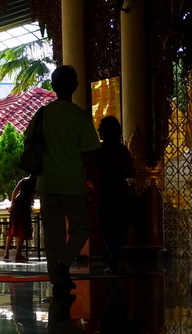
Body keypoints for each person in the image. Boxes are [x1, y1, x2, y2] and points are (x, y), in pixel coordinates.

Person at [24, 65, 100, 296]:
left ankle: (56, 278)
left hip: (47, 183)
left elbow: (28, 142)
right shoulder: (79, 117)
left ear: (53, 86)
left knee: (53, 233)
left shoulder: (43, 115)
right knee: (81, 227)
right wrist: (93, 182)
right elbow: (90, 154)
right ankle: (64, 263)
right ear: (75, 86)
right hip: (73, 182)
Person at [96, 115, 135, 273]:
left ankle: (115, 256)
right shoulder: (122, 149)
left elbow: (93, 172)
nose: (99, 130)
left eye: (101, 127)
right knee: (118, 228)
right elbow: (132, 172)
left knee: (105, 227)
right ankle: (117, 256)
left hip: (106, 194)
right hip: (122, 193)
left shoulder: (100, 151)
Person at [2, 175, 37, 262]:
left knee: (12, 228)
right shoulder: (36, 183)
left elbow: (14, 192)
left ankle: (6, 253)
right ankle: (18, 254)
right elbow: (32, 195)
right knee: (22, 229)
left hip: (17, 204)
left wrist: (12, 206)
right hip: (24, 206)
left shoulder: (24, 180)